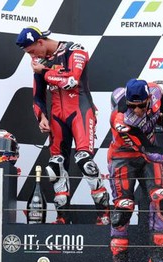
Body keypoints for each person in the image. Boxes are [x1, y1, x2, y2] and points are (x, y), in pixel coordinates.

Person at [15, 26, 110, 225]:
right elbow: (38, 93)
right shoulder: (38, 61)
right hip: (57, 115)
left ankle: (104, 214)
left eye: (32, 51)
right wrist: (41, 116)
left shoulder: (75, 50)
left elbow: (72, 80)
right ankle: (62, 218)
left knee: (85, 162)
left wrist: (46, 71)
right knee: (55, 166)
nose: (31, 56)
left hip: (80, 111)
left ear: (40, 42)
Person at [107, 78, 163, 262]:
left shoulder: (157, 92)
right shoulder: (120, 119)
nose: (136, 111)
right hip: (123, 156)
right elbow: (145, 149)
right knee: (123, 207)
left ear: (149, 98)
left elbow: (162, 115)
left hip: (149, 152)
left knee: (162, 200)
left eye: (141, 106)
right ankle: (119, 259)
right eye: (132, 106)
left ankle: (158, 259)